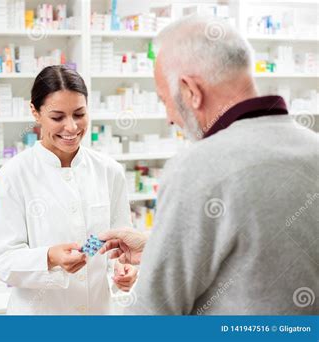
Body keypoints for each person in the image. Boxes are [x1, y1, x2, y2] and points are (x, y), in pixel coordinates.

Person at [99, 15, 319, 315]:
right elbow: (258, 259)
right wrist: (157, 250)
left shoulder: (194, 168)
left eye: (166, 101)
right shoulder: (313, 148)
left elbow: (150, 316)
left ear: (191, 91)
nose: (169, 118)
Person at [0, 65, 138, 315]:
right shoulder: (14, 175)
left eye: (79, 114)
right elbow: (2, 260)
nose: (71, 127)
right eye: (57, 117)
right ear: (35, 112)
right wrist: (49, 257)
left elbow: (120, 244)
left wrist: (125, 271)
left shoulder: (109, 171)